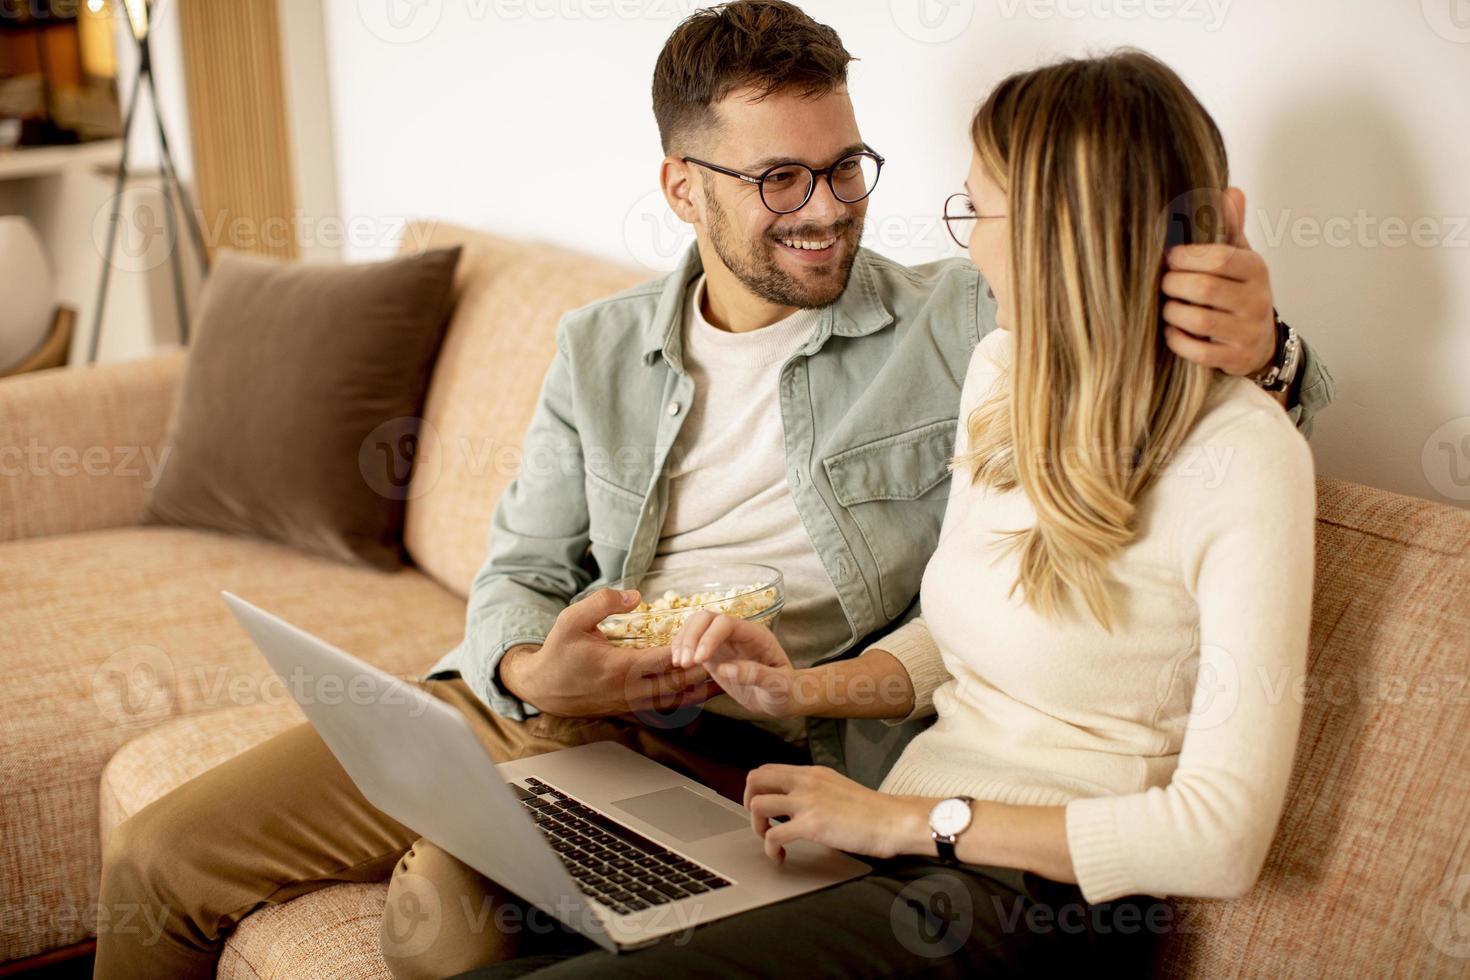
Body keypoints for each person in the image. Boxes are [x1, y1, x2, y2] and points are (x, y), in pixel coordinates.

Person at [92, 5, 1330, 978]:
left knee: (443, 918)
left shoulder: (963, 317)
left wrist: (1271, 347)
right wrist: (535, 669)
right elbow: (519, 569)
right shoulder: (598, 346)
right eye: (779, 180)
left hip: (757, 751)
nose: (830, 208)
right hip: (574, 706)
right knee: (158, 855)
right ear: (684, 188)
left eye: (846, 166)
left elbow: (1133, 356)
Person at [451, 47, 1317, 980]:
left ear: (1058, 236)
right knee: (485, 934)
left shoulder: (1248, 458)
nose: (968, 247)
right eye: (781, 177)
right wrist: (798, 691)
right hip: (885, 844)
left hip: (1024, 896)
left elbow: (1219, 841)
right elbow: (961, 633)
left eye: (976, 210)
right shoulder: (1003, 374)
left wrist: (903, 820)